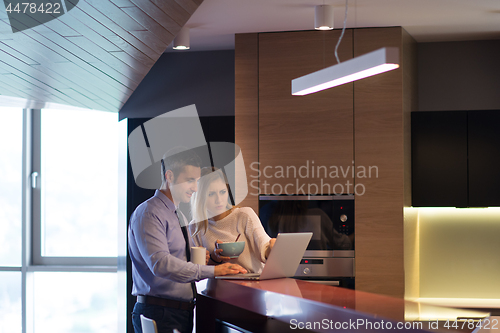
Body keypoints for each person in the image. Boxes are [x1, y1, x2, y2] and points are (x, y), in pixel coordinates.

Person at [128, 149, 247, 333]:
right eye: (190, 180)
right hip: (159, 313)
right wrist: (213, 270)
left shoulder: (177, 214)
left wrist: (205, 258)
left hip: (177, 313)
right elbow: (161, 264)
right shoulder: (149, 213)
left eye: (197, 181)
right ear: (170, 176)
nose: (196, 188)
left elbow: (178, 260)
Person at [189, 167, 276, 273]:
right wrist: (213, 258)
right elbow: (197, 270)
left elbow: (264, 245)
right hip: (216, 287)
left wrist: (271, 249)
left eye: (222, 192)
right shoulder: (195, 226)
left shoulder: (244, 215)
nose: (219, 200)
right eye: (211, 194)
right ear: (200, 197)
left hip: (251, 283)